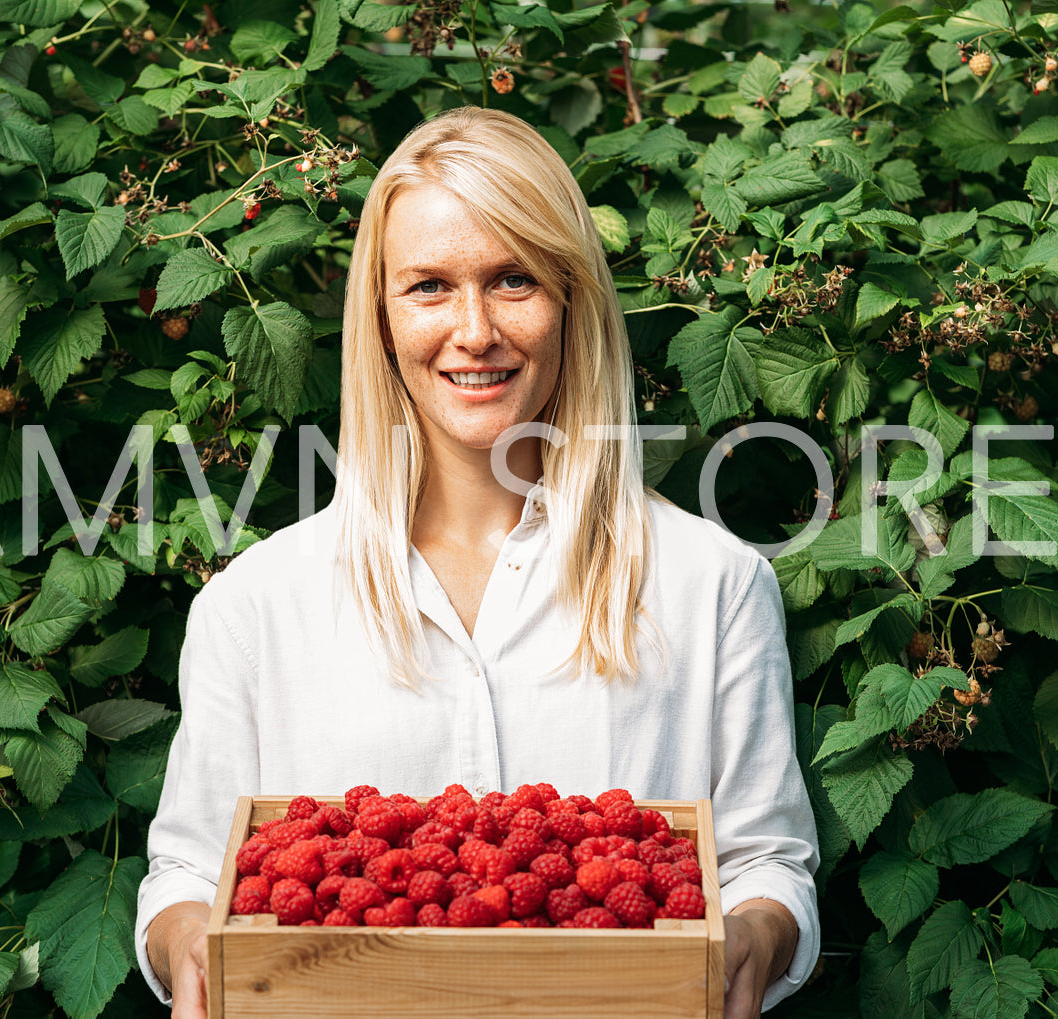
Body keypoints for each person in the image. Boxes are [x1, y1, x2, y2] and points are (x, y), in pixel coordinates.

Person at [136, 106, 819, 1019]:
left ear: (571, 298)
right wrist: (189, 939)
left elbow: (764, 862)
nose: (474, 330)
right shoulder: (257, 605)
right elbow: (187, 869)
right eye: (427, 286)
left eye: (512, 280)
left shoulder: (713, 583)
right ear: (379, 320)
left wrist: (753, 933)